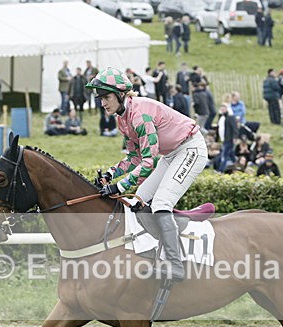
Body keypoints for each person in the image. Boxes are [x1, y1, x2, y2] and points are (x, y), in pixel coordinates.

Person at [86, 67, 208, 281]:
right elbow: (134, 157)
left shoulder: (140, 114)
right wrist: (111, 174)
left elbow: (149, 161)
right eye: (100, 98)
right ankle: (158, 252)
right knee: (138, 201)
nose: (102, 103)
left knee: (161, 203)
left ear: (121, 94)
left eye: (106, 97)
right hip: (171, 154)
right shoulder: (122, 118)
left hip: (191, 148)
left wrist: (119, 187)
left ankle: (175, 265)